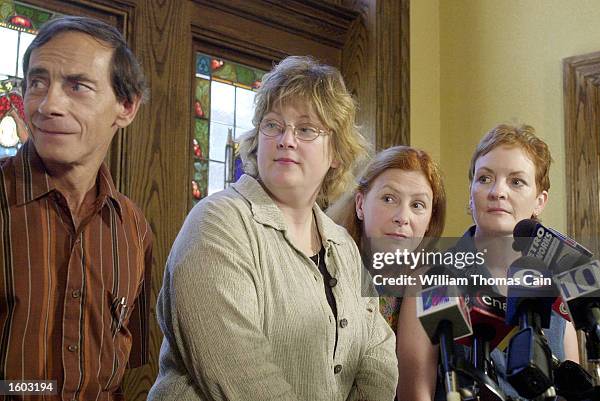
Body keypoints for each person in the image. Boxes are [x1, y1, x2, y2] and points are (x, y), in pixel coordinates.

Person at [148, 56, 398, 401]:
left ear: (337, 153)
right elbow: (242, 374)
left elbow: (377, 350)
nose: (286, 140)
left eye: (306, 129)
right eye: (273, 125)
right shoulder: (217, 222)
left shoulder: (342, 244)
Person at [0, 16, 152, 400]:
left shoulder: (133, 228)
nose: (48, 104)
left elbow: (125, 370)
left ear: (126, 107)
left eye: (77, 86)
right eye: (37, 83)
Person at [399, 123, 579, 401]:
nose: (497, 191)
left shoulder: (558, 290)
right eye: (484, 178)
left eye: (516, 181)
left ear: (539, 201)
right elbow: (415, 394)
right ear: (470, 194)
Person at [327, 145, 446, 400]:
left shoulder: (438, 284)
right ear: (360, 204)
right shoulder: (327, 268)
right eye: (389, 199)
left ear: (429, 222)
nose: (402, 217)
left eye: (417, 205)